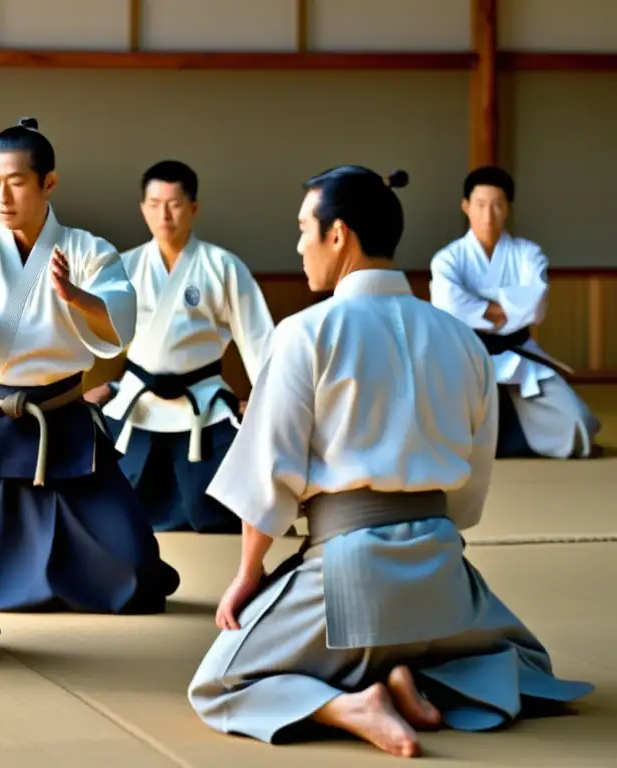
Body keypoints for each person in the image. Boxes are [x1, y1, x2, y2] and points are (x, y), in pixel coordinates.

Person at [187, 166, 593, 758]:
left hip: (347, 567)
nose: (298, 244)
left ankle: (350, 702)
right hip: (439, 564)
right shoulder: (461, 338)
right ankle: (415, 674)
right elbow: (470, 489)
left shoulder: (306, 333)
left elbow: (268, 472)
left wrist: (250, 572)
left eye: (304, 229)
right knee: (527, 661)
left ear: (339, 235)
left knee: (220, 683)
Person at [0, 118, 180, 615]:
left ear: (48, 182)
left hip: (61, 424)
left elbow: (118, 319)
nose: (2, 197)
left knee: (138, 571)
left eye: (15, 182)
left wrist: (77, 297)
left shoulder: (87, 251)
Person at [85, 161, 273, 534]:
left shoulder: (222, 266)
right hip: (138, 400)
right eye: (154, 204)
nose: (164, 214)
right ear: (142, 208)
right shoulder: (124, 267)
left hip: (202, 402)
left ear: (193, 208)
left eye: (173, 203)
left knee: (216, 510)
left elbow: (259, 340)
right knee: (116, 509)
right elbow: (94, 335)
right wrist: (95, 384)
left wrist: (265, 400)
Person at [430, 166, 600, 459]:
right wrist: (507, 306)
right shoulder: (448, 259)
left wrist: (478, 305)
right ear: (466, 207)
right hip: (464, 354)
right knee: (428, 429)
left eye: (497, 205)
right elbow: (449, 306)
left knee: (577, 426)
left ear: (507, 208)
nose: (488, 215)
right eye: (480, 205)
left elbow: (535, 304)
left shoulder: (527, 253)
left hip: (518, 352)